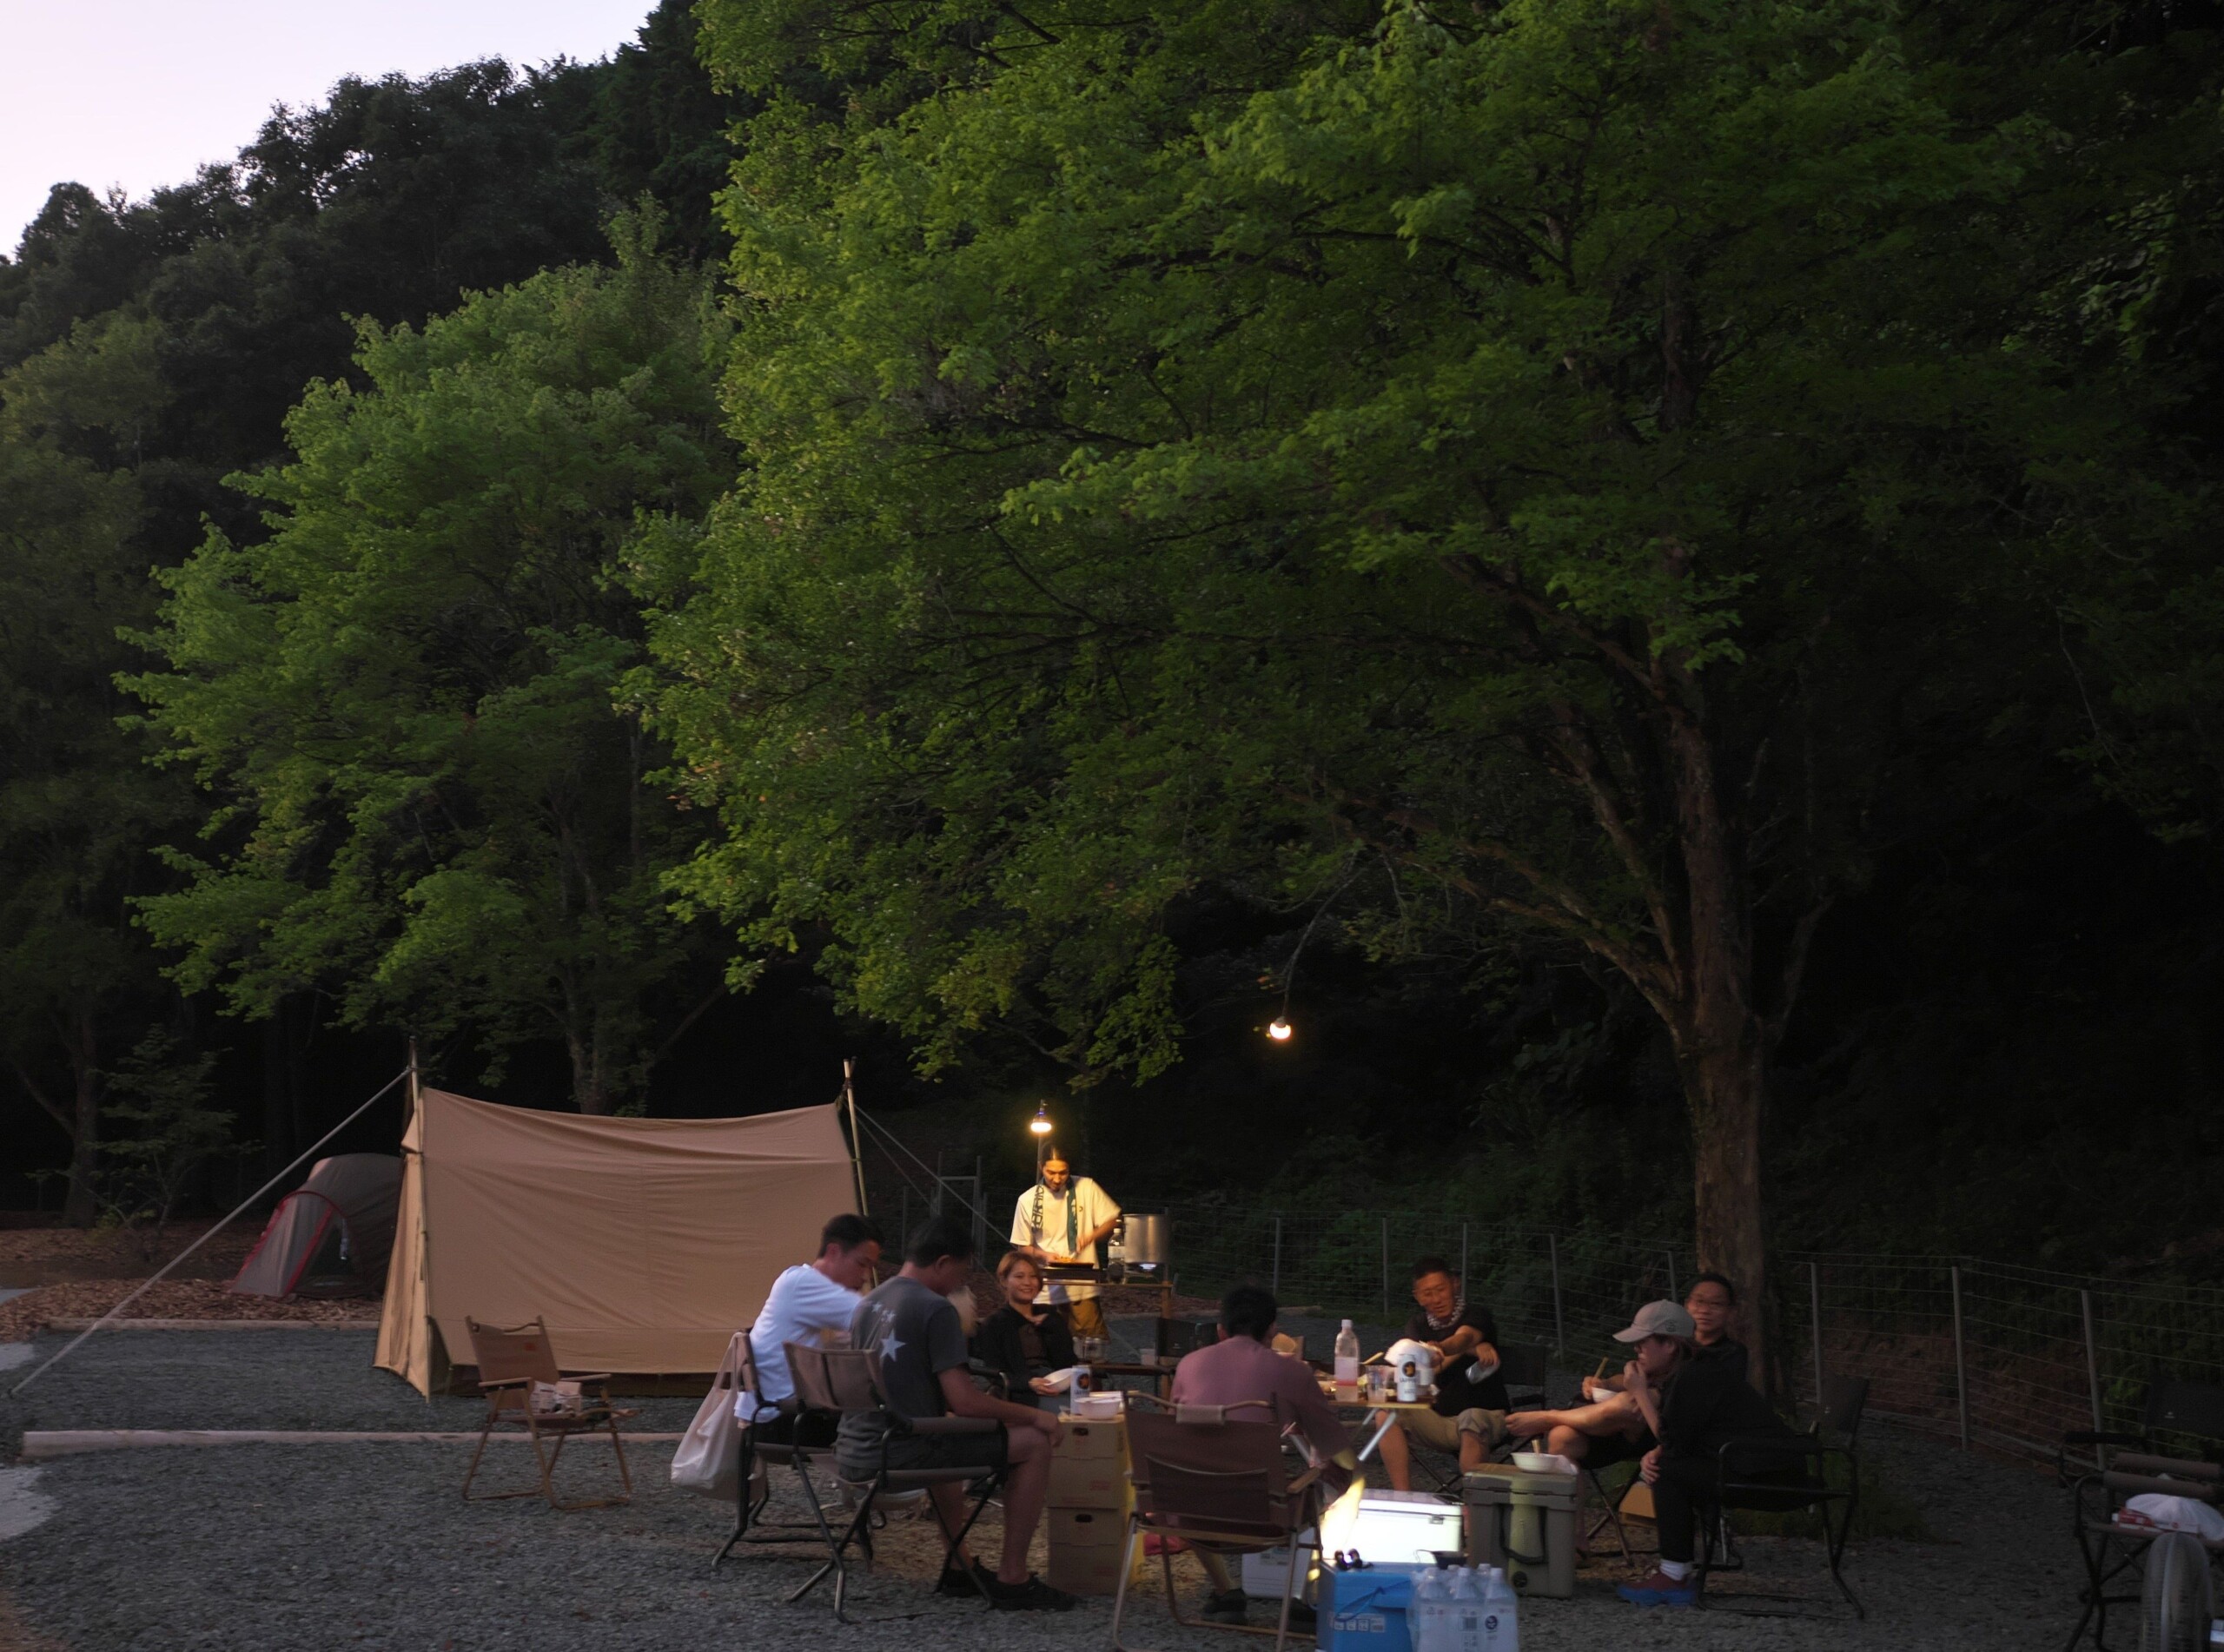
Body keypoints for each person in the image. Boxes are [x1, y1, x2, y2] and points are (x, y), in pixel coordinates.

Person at [842, 1215, 1077, 1611]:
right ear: (943, 1263)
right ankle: (1013, 1578)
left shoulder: (869, 1302)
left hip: (855, 1446)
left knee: (952, 1433)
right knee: (1035, 1442)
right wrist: (1033, 1415)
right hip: (901, 1449)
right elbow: (964, 1401)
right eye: (962, 1272)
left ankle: (959, 1565)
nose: (961, 1284)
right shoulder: (935, 1309)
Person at [1605, 1300, 1817, 1608]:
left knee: (1667, 1470)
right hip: (1760, 1465)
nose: (1637, 1349)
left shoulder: (1695, 1376)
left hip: (1767, 1476)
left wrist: (1639, 1393)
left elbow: (1674, 1443)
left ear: (1671, 1345)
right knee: (1666, 1462)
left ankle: (1674, 1576)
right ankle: (1676, 1571)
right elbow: (1684, 1437)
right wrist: (1661, 1448)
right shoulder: (1696, 1371)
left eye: (1643, 1342)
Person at [1170, 1283, 1359, 1624]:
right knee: (1350, 1478)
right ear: (1272, 1329)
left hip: (1186, 1510)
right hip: (1262, 1515)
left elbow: (1174, 1438)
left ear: (1220, 1330)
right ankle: (1306, 1597)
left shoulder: (1187, 1365)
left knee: (1194, 1472)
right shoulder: (1291, 1371)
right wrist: (1342, 1468)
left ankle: (1227, 1593)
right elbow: (1335, 1446)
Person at [1504, 1272, 1748, 1469]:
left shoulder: (1719, 1357)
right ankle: (1570, 1529)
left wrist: (1637, 1391)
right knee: (1562, 1437)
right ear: (1687, 1305)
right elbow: (1637, 1377)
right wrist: (1607, 1383)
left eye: (1715, 1304)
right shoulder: (1665, 1339)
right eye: (1699, 1301)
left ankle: (1547, 1417)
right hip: (1624, 1428)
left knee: (1629, 1404)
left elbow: (1647, 1396)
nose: (1705, 1310)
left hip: (1669, 1434)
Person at [740, 1213, 883, 1444]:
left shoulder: (798, 1283)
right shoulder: (803, 1284)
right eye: (862, 1264)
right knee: (899, 1429)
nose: (866, 1276)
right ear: (834, 1252)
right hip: (783, 1421)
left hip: (772, 1416)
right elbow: (880, 1316)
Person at [1373, 1255, 1511, 1491]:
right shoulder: (1417, 1326)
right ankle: (1402, 1497)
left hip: (1486, 1415)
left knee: (1471, 1419)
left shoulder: (1476, 1315)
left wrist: (1446, 1348)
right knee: (1386, 1413)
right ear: (1417, 1297)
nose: (1436, 1299)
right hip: (1439, 1419)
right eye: (1427, 1293)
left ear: (1454, 1284)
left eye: (1441, 1289)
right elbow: (1419, 1371)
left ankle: (1473, 1509)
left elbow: (1464, 1337)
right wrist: (1469, 1350)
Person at [1009, 1147, 1120, 1340]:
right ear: (1040, 1168)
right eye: (1051, 1172)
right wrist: (1045, 1255)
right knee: (1052, 1345)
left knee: (1091, 1345)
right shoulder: (1027, 1199)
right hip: (1046, 1286)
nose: (1057, 1178)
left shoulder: (1086, 1187)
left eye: (1063, 1172)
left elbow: (1112, 1218)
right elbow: (1021, 1246)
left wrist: (1090, 1236)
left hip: (1081, 1284)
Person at [973, 1252, 1077, 1408]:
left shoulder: (1050, 1316)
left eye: (1033, 1276)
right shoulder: (995, 1323)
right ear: (1004, 1281)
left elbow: (1069, 1362)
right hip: (1021, 1393)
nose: (1028, 1282)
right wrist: (1028, 1383)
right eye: (1019, 1276)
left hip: (1059, 1385)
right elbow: (995, 1373)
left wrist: (1054, 1328)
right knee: (1065, 1413)